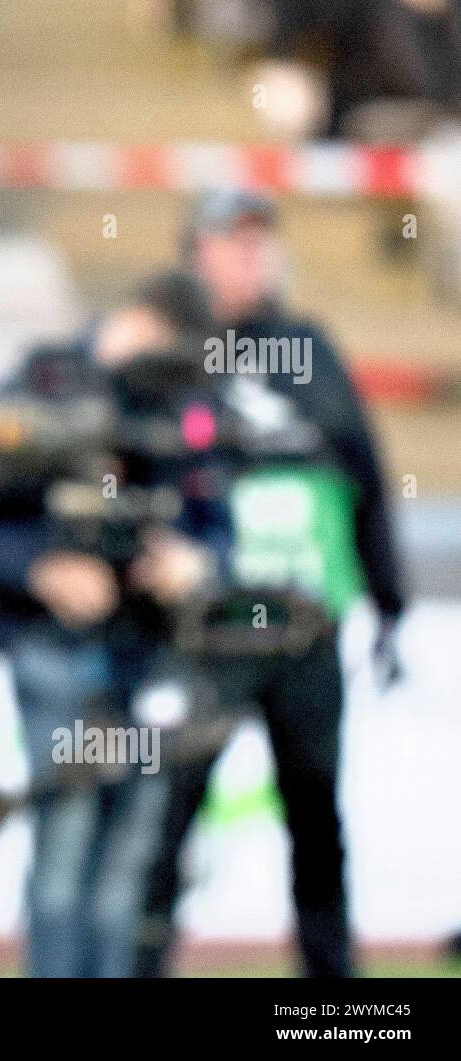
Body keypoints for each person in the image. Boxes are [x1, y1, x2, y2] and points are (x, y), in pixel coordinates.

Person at [134, 188, 408, 978]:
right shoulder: (168, 347)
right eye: (233, 241)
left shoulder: (311, 347)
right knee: (169, 818)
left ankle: (332, 1000)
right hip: (202, 634)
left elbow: (366, 476)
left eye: (262, 240)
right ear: (196, 252)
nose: (253, 256)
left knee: (318, 821)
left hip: (305, 630)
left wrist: (387, 602)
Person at [0, 273, 224, 977]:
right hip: (51, 651)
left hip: (150, 656)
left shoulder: (182, 402)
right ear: (137, 321)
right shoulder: (42, 384)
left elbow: (217, 524)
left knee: (132, 860)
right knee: (63, 855)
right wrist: (43, 568)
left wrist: (194, 562)